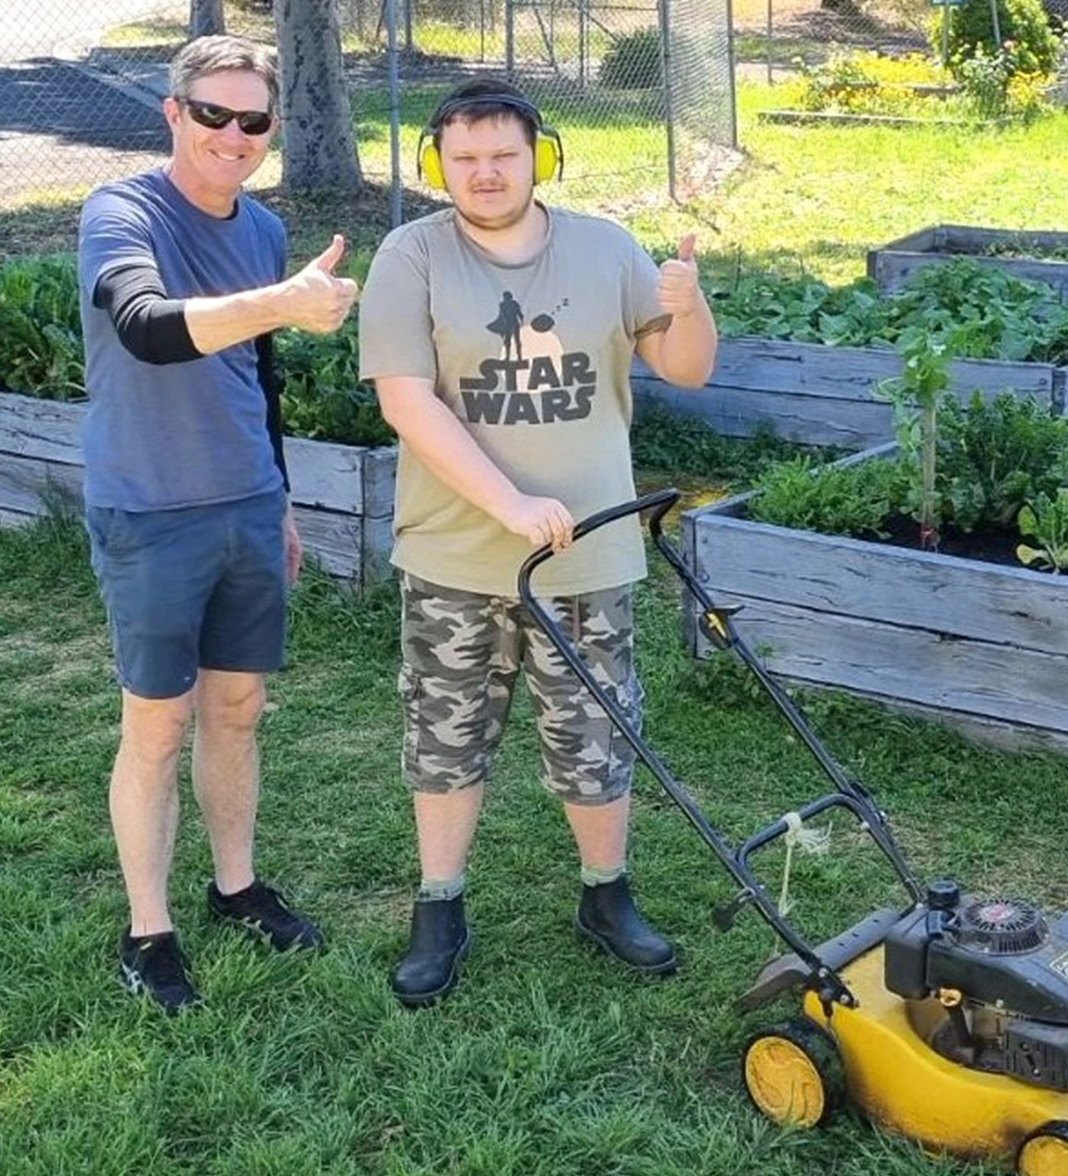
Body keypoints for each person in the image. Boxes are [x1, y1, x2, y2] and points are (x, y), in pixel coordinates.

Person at [357, 77, 717, 1008]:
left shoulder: (605, 248)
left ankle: (606, 895)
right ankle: (439, 907)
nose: (485, 174)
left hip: (587, 550)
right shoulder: (411, 256)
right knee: (446, 736)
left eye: (503, 156)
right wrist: (508, 502)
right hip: (454, 553)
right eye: (464, 158)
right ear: (438, 164)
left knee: (596, 733)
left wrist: (689, 304)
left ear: (539, 158)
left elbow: (685, 368)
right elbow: (405, 400)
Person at [76, 34, 358, 1013]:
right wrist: (282, 302)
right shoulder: (120, 211)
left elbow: (259, 378)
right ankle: (147, 932)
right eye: (213, 115)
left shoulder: (263, 229)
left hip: (245, 502)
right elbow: (146, 327)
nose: (233, 136)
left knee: (237, 708)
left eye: (254, 120)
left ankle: (235, 887)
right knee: (157, 723)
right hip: (150, 510)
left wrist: (277, 497)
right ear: (173, 113)